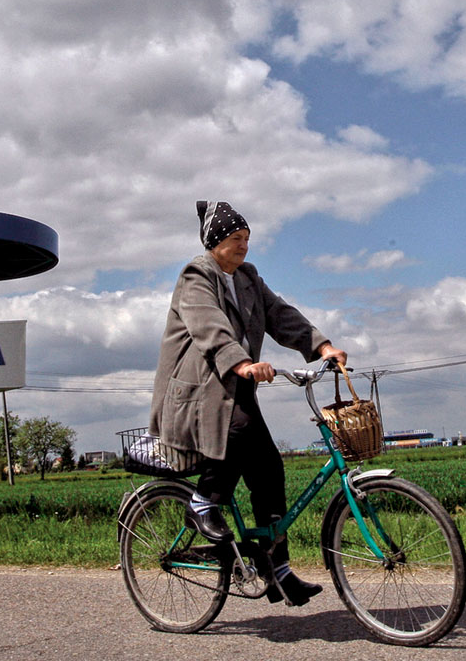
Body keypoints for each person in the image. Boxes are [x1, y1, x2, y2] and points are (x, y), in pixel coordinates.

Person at [149, 200, 348, 607]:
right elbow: (208, 325)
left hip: (234, 390)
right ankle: (202, 504)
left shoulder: (248, 278)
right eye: (236, 239)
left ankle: (278, 570)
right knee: (236, 431)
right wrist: (241, 362)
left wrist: (321, 345)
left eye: (247, 240)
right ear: (215, 241)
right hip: (198, 394)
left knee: (270, 472)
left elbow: (280, 314)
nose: (243, 247)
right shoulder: (196, 276)